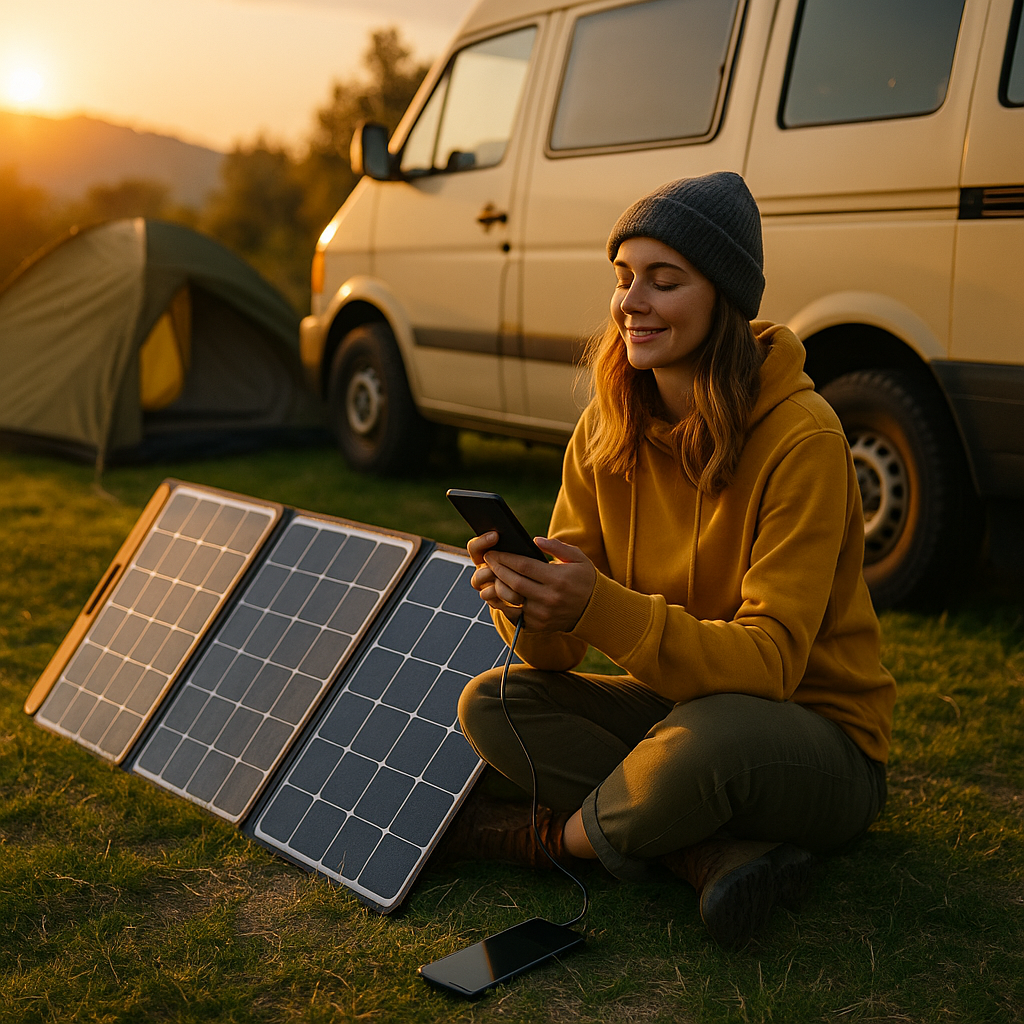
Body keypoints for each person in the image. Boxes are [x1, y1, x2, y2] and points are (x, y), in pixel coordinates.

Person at [451, 172, 895, 949]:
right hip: (679, 709)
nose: (631, 302)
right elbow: (559, 653)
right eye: (624, 278)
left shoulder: (805, 438)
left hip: (815, 735)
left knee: (709, 744)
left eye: (664, 280)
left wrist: (598, 606)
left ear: (721, 297)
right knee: (496, 703)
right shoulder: (605, 428)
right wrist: (525, 599)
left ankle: (547, 841)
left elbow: (771, 666)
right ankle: (706, 853)